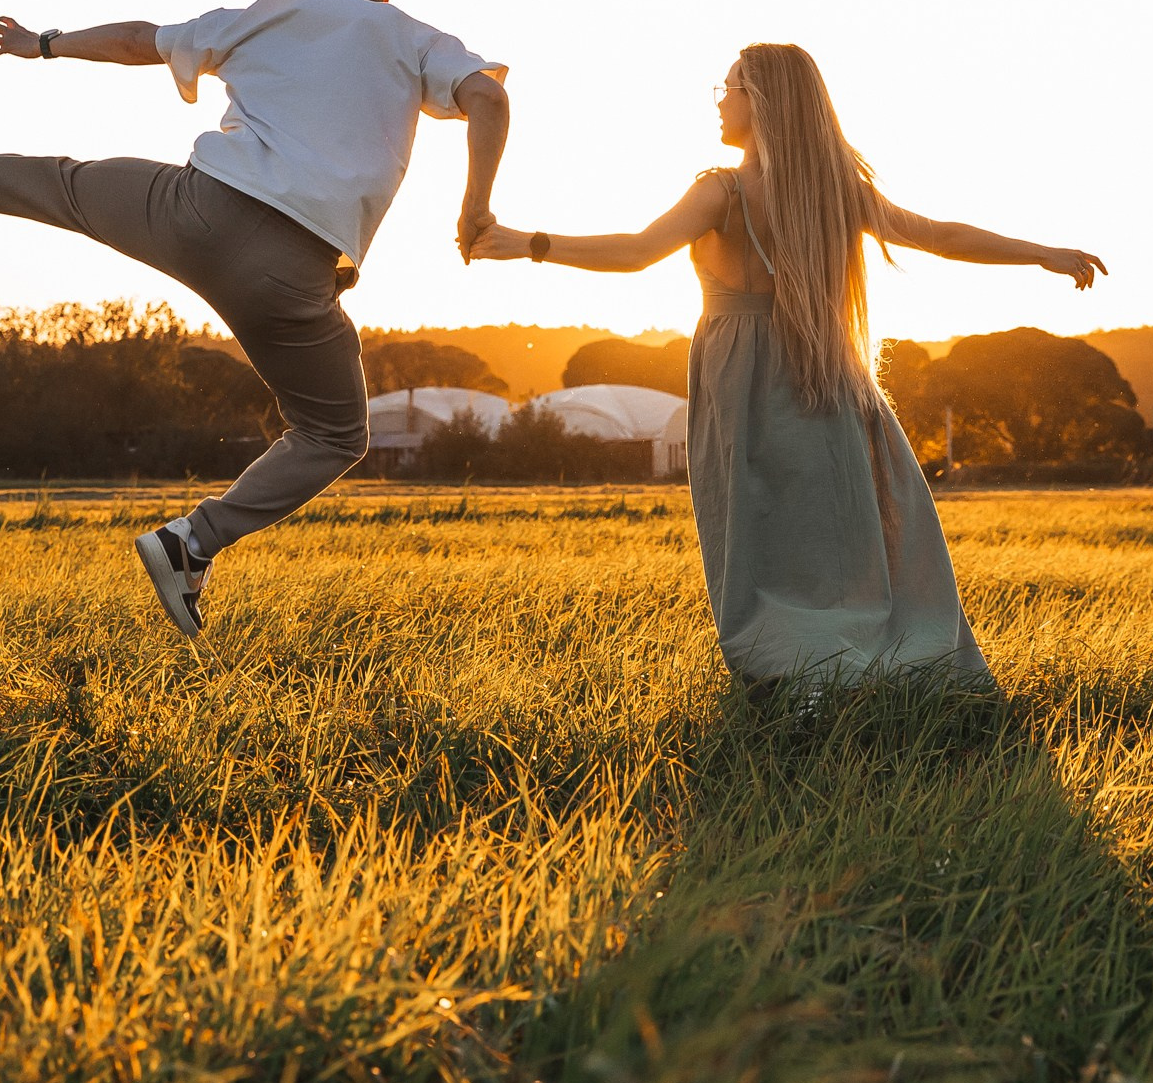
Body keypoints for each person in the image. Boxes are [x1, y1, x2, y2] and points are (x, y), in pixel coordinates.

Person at [0, 0, 510, 637]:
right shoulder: (412, 37)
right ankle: (192, 543)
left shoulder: (271, 11)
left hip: (195, 211)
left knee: (58, 186)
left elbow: (138, 39)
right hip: (295, 277)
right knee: (336, 435)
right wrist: (475, 210)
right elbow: (488, 102)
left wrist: (44, 43)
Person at [471, 42, 1104, 695]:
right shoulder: (835, 190)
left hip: (742, 375)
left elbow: (637, 253)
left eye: (730, 87)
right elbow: (939, 235)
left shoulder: (720, 189)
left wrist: (530, 244)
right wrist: (1043, 253)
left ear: (762, 101)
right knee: (845, 528)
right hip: (825, 371)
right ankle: (866, 661)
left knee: (757, 531)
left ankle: (795, 672)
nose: (720, 101)